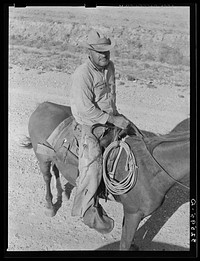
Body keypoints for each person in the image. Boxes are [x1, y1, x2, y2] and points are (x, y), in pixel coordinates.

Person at [69, 29, 130, 233]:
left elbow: (110, 96)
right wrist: (112, 119)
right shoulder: (82, 74)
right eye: (100, 52)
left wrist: (117, 116)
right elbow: (87, 108)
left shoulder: (110, 67)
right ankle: (86, 210)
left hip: (109, 117)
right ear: (90, 52)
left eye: (107, 51)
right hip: (89, 123)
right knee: (92, 166)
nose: (104, 55)